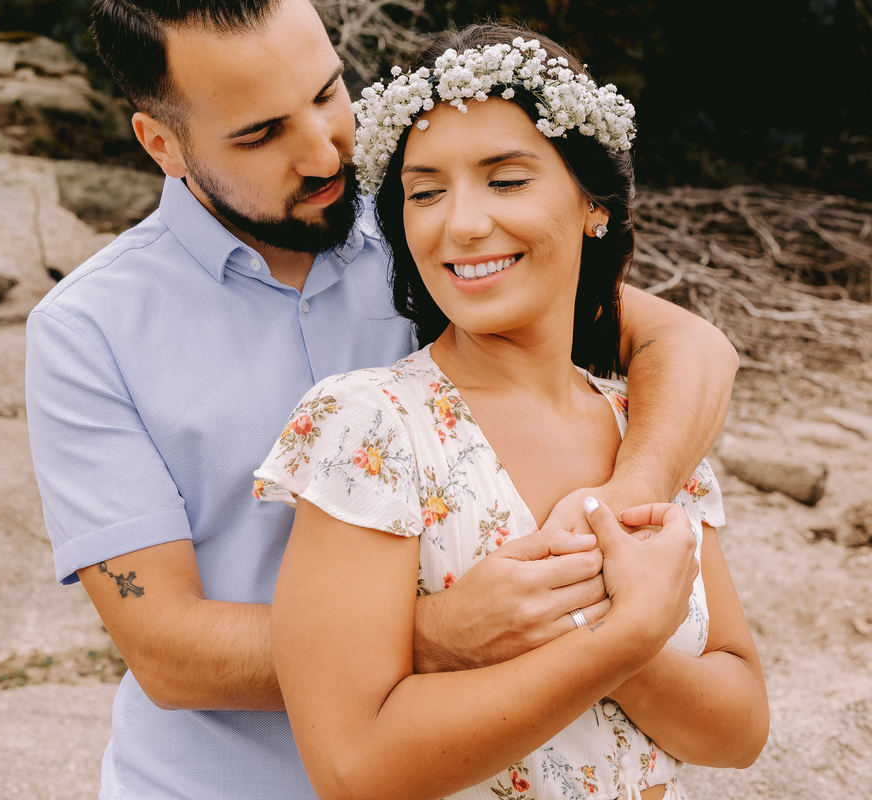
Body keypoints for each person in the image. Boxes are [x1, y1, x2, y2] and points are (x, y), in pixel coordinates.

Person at [24, 1, 739, 797]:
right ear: (164, 145)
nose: (325, 149)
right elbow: (164, 648)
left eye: (330, 94)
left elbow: (689, 347)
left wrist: (620, 520)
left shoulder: (430, 227)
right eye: (261, 133)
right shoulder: (89, 330)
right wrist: (444, 632)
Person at [256, 25, 769, 800]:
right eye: (425, 192)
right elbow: (351, 765)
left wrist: (622, 650)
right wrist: (617, 639)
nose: (460, 223)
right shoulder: (369, 426)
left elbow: (740, 728)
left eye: (505, 180)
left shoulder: (649, 431)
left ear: (594, 203)